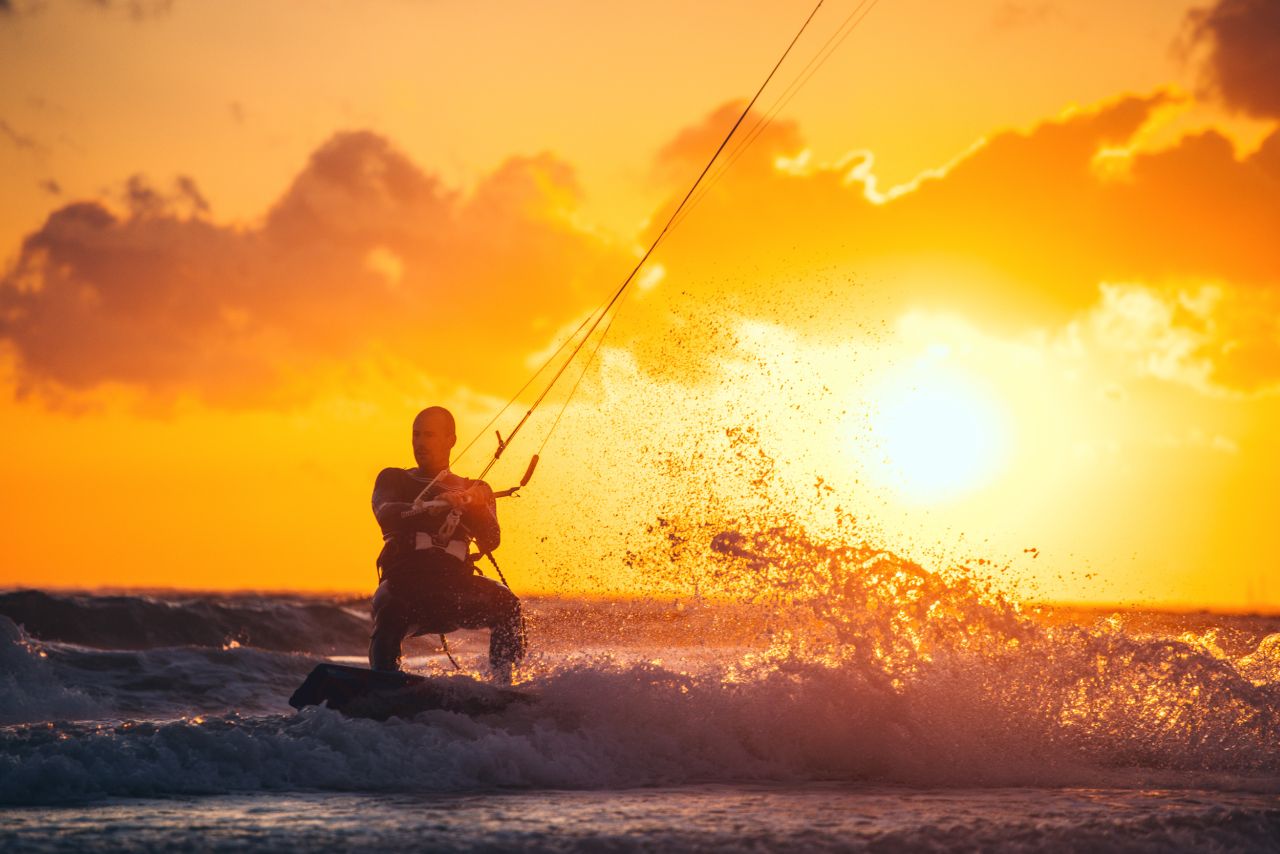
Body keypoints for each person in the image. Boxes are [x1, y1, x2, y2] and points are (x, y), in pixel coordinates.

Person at [368, 406, 525, 681]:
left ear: (450, 440)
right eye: (416, 435)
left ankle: (504, 681)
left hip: (455, 591)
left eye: (429, 435)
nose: (420, 442)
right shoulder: (394, 478)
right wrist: (429, 506)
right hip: (407, 587)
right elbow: (386, 512)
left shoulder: (476, 488)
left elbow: (491, 540)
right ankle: (383, 680)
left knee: (507, 604)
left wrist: (475, 506)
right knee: (391, 609)